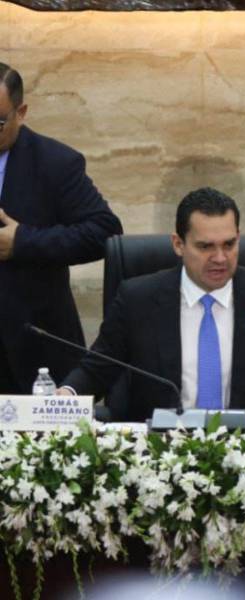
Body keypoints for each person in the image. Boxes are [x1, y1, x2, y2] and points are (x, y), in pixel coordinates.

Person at [59, 188, 245, 422]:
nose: (220, 258)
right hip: (159, 453)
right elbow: (97, 370)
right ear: (178, 244)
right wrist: (65, 395)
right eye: (205, 246)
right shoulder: (138, 299)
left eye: (229, 244)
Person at [0, 63, 123, 394]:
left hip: (33, 351)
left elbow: (105, 231)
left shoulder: (55, 162)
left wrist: (23, 241)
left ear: (20, 112)